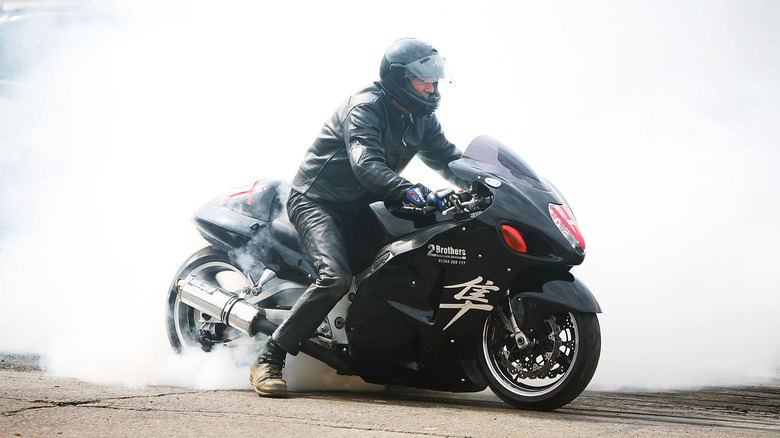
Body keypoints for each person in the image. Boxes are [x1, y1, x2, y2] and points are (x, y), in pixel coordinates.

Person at [249, 37, 465, 397]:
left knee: (406, 258)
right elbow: (366, 165)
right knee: (335, 277)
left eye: (434, 81)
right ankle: (271, 357)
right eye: (422, 81)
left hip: (363, 205)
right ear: (398, 79)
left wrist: (488, 181)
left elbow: (447, 157)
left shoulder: (422, 118)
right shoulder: (365, 107)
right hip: (318, 202)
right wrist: (409, 189)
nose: (431, 88)